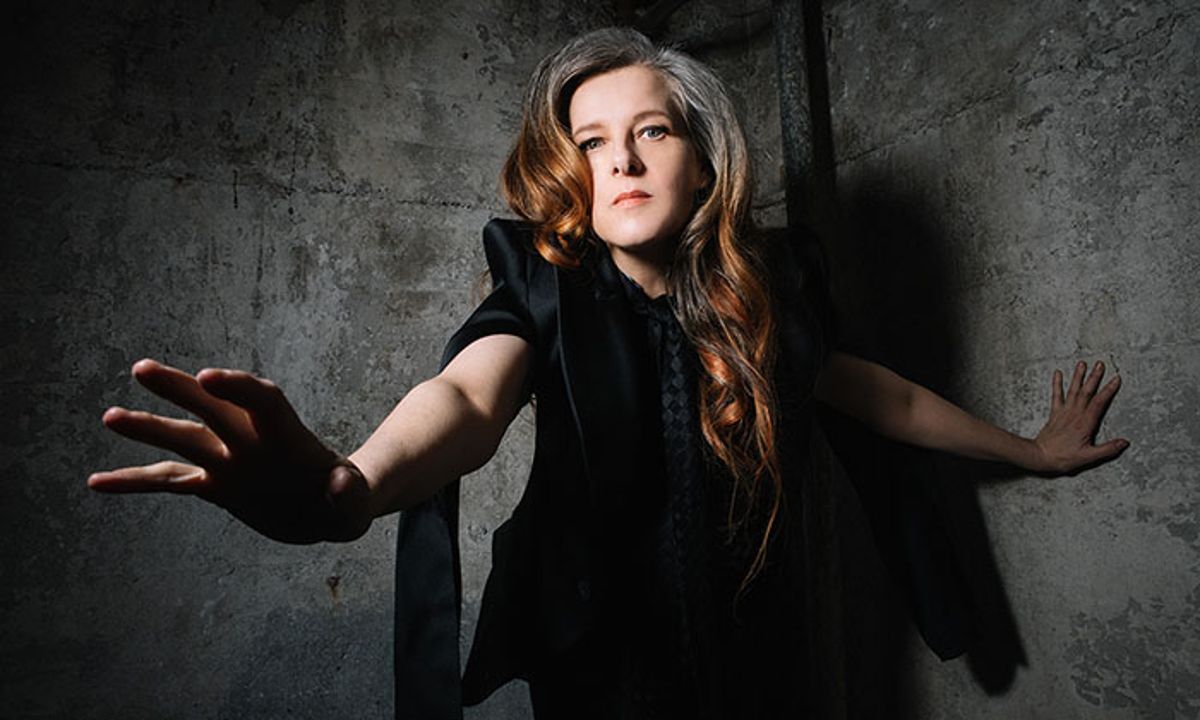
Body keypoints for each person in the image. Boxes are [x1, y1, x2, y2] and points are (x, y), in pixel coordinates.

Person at [88, 27, 1127, 720]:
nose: (620, 161)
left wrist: (1029, 451)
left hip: (760, 660)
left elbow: (879, 396)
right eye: (590, 142)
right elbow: (464, 399)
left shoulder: (767, 296)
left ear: (704, 160)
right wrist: (349, 485)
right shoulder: (546, 291)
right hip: (603, 672)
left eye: (650, 131)